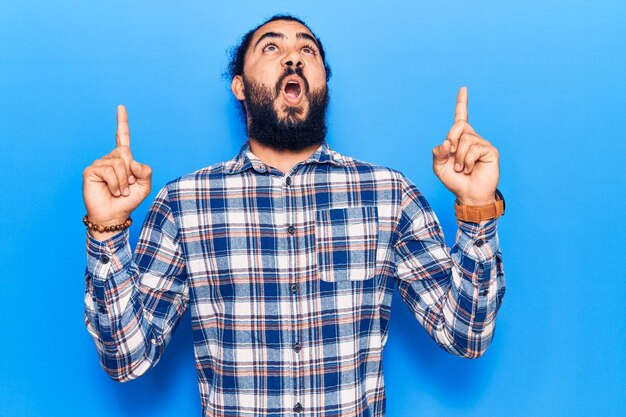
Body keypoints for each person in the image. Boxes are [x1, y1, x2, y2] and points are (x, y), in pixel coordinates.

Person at [83, 14, 506, 417]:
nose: (293, 57)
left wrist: (476, 210)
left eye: (308, 50)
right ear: (240, 86)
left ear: (323, 82)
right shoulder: (184, 202)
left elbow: (465, 335)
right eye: (271, 47)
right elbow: (127, 358)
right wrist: (106, 233)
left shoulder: (388, 193)